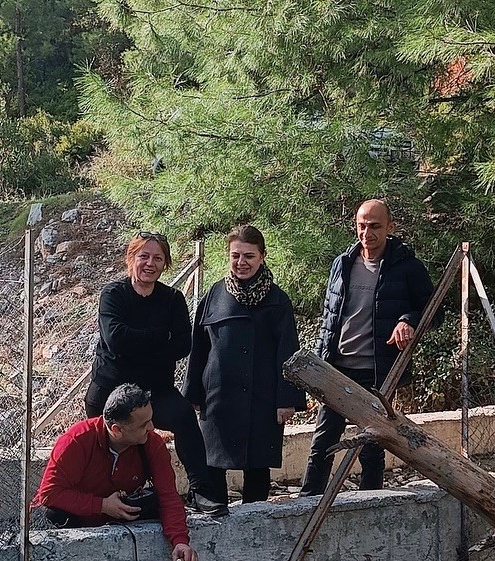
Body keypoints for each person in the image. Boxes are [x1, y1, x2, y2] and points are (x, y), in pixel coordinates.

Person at [299, 198, 435, 496]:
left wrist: (408, 320)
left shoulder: (407, 267)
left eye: (374, 226)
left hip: (378, 371)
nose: (367, 232)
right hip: (338, 368)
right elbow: (330, 315)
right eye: (362, 225)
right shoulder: (343, 263)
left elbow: (431, 308)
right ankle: (308, 502)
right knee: (324, 438)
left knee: (372, 444)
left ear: (390, 227)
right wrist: (322, 362)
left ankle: (371, 499)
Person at [86, 230, 226, 517]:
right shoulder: (113, 295)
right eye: (144, 256)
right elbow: (115, 339)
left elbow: (183, 344)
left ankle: (201, 490)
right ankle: (97, 498)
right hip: (110, 390)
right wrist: (159, 337)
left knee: (185, 417)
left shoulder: (172, 299)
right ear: (131, 259)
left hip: (155, 389)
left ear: (165, 264)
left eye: (158, 258)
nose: (150, 263)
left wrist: (136, 344)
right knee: (99, 440)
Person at [184, 225, 305, 505]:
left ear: (262, 256)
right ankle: (217, 518)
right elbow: (199, 348)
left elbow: (288, 352)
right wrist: (193, 395)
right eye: (236, 256)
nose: (241, 263)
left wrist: (285, 400)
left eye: (249, 256)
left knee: (257, 467)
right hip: (218, 396)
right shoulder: (214, 295)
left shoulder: (278, 300)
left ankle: (255, 520)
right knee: (214, 464)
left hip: (261, 397)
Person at [33, 383, 199, 561]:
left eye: (151, 420)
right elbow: (48, 494)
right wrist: (102, 505)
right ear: (116, 430)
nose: (152, 428)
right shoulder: (78, 440)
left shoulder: (152, 444)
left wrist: (180, 541)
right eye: (144, 425)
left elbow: (168, 496)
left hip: (118, 521)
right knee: (52, 514)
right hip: (74, 523)